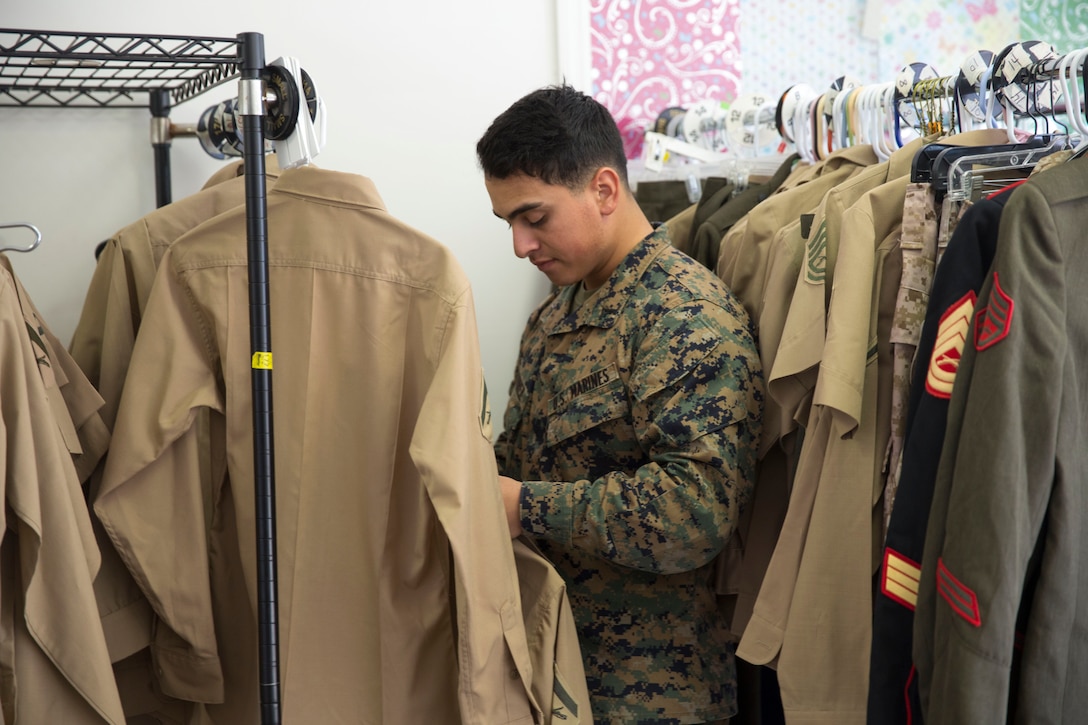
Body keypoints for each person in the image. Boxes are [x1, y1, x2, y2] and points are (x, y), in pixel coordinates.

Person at [476, 84, 764, 725]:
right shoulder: (552, 318)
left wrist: (527, 506)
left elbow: (696, 511)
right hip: (554, 669)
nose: (520, 245)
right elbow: (520, 460)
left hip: (656, 694)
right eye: (510, 224)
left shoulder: (687, 315)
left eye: (535, 217)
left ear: (604, 190)